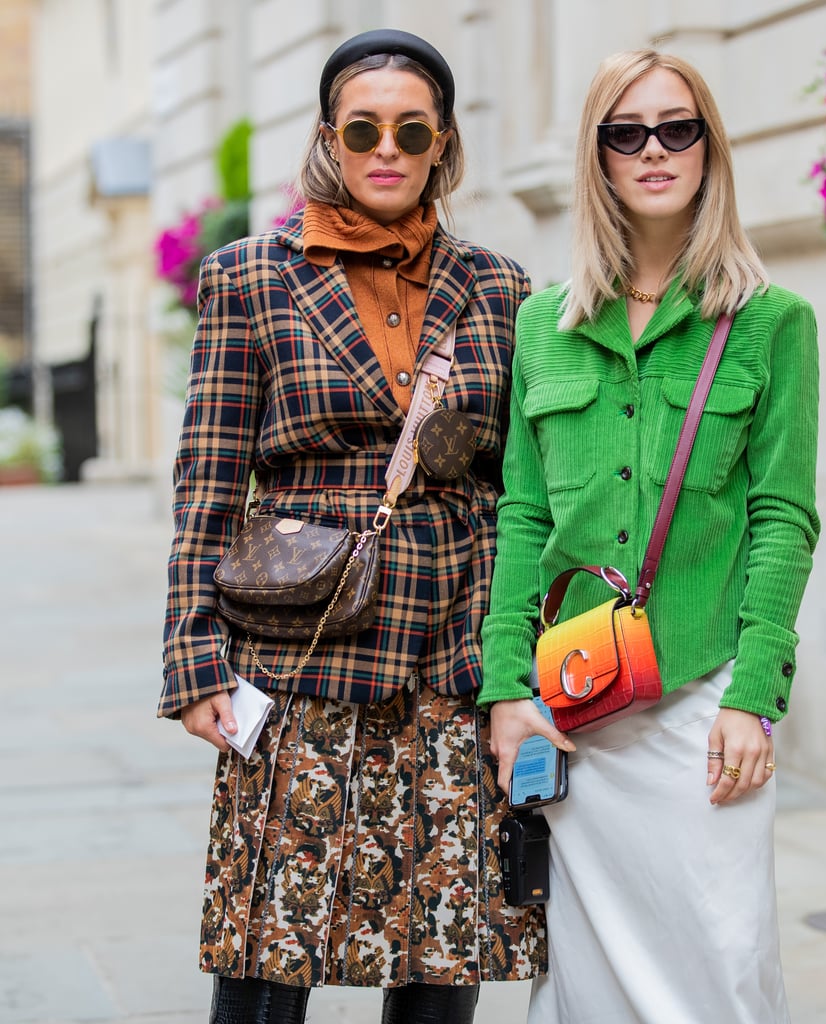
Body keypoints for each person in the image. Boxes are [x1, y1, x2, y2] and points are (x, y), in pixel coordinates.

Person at [159, 29, 543, 1024]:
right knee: (267, 943)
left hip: (450, 642)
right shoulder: (251, 275)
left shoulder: (499, 288)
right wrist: (194, 660)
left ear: (442, 146)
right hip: (298, 641)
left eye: (410, 131)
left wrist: (519, 660)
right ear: (331, 136)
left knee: (438, 941)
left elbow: (518, 484)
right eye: (362, 127)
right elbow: (208, 476)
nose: (386, 148)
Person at [480, 48, 820, 1023]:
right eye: (626, 133)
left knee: (721, 966)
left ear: (710, 148)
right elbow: (525, 515)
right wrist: (505, 690)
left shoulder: (771, 322)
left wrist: (753, 698)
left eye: (678, 127)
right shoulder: (543, 323)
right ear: (597, 157)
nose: (654, 149)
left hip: (701, 700)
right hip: (575, 710)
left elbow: (782, 518)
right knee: (589, 983)